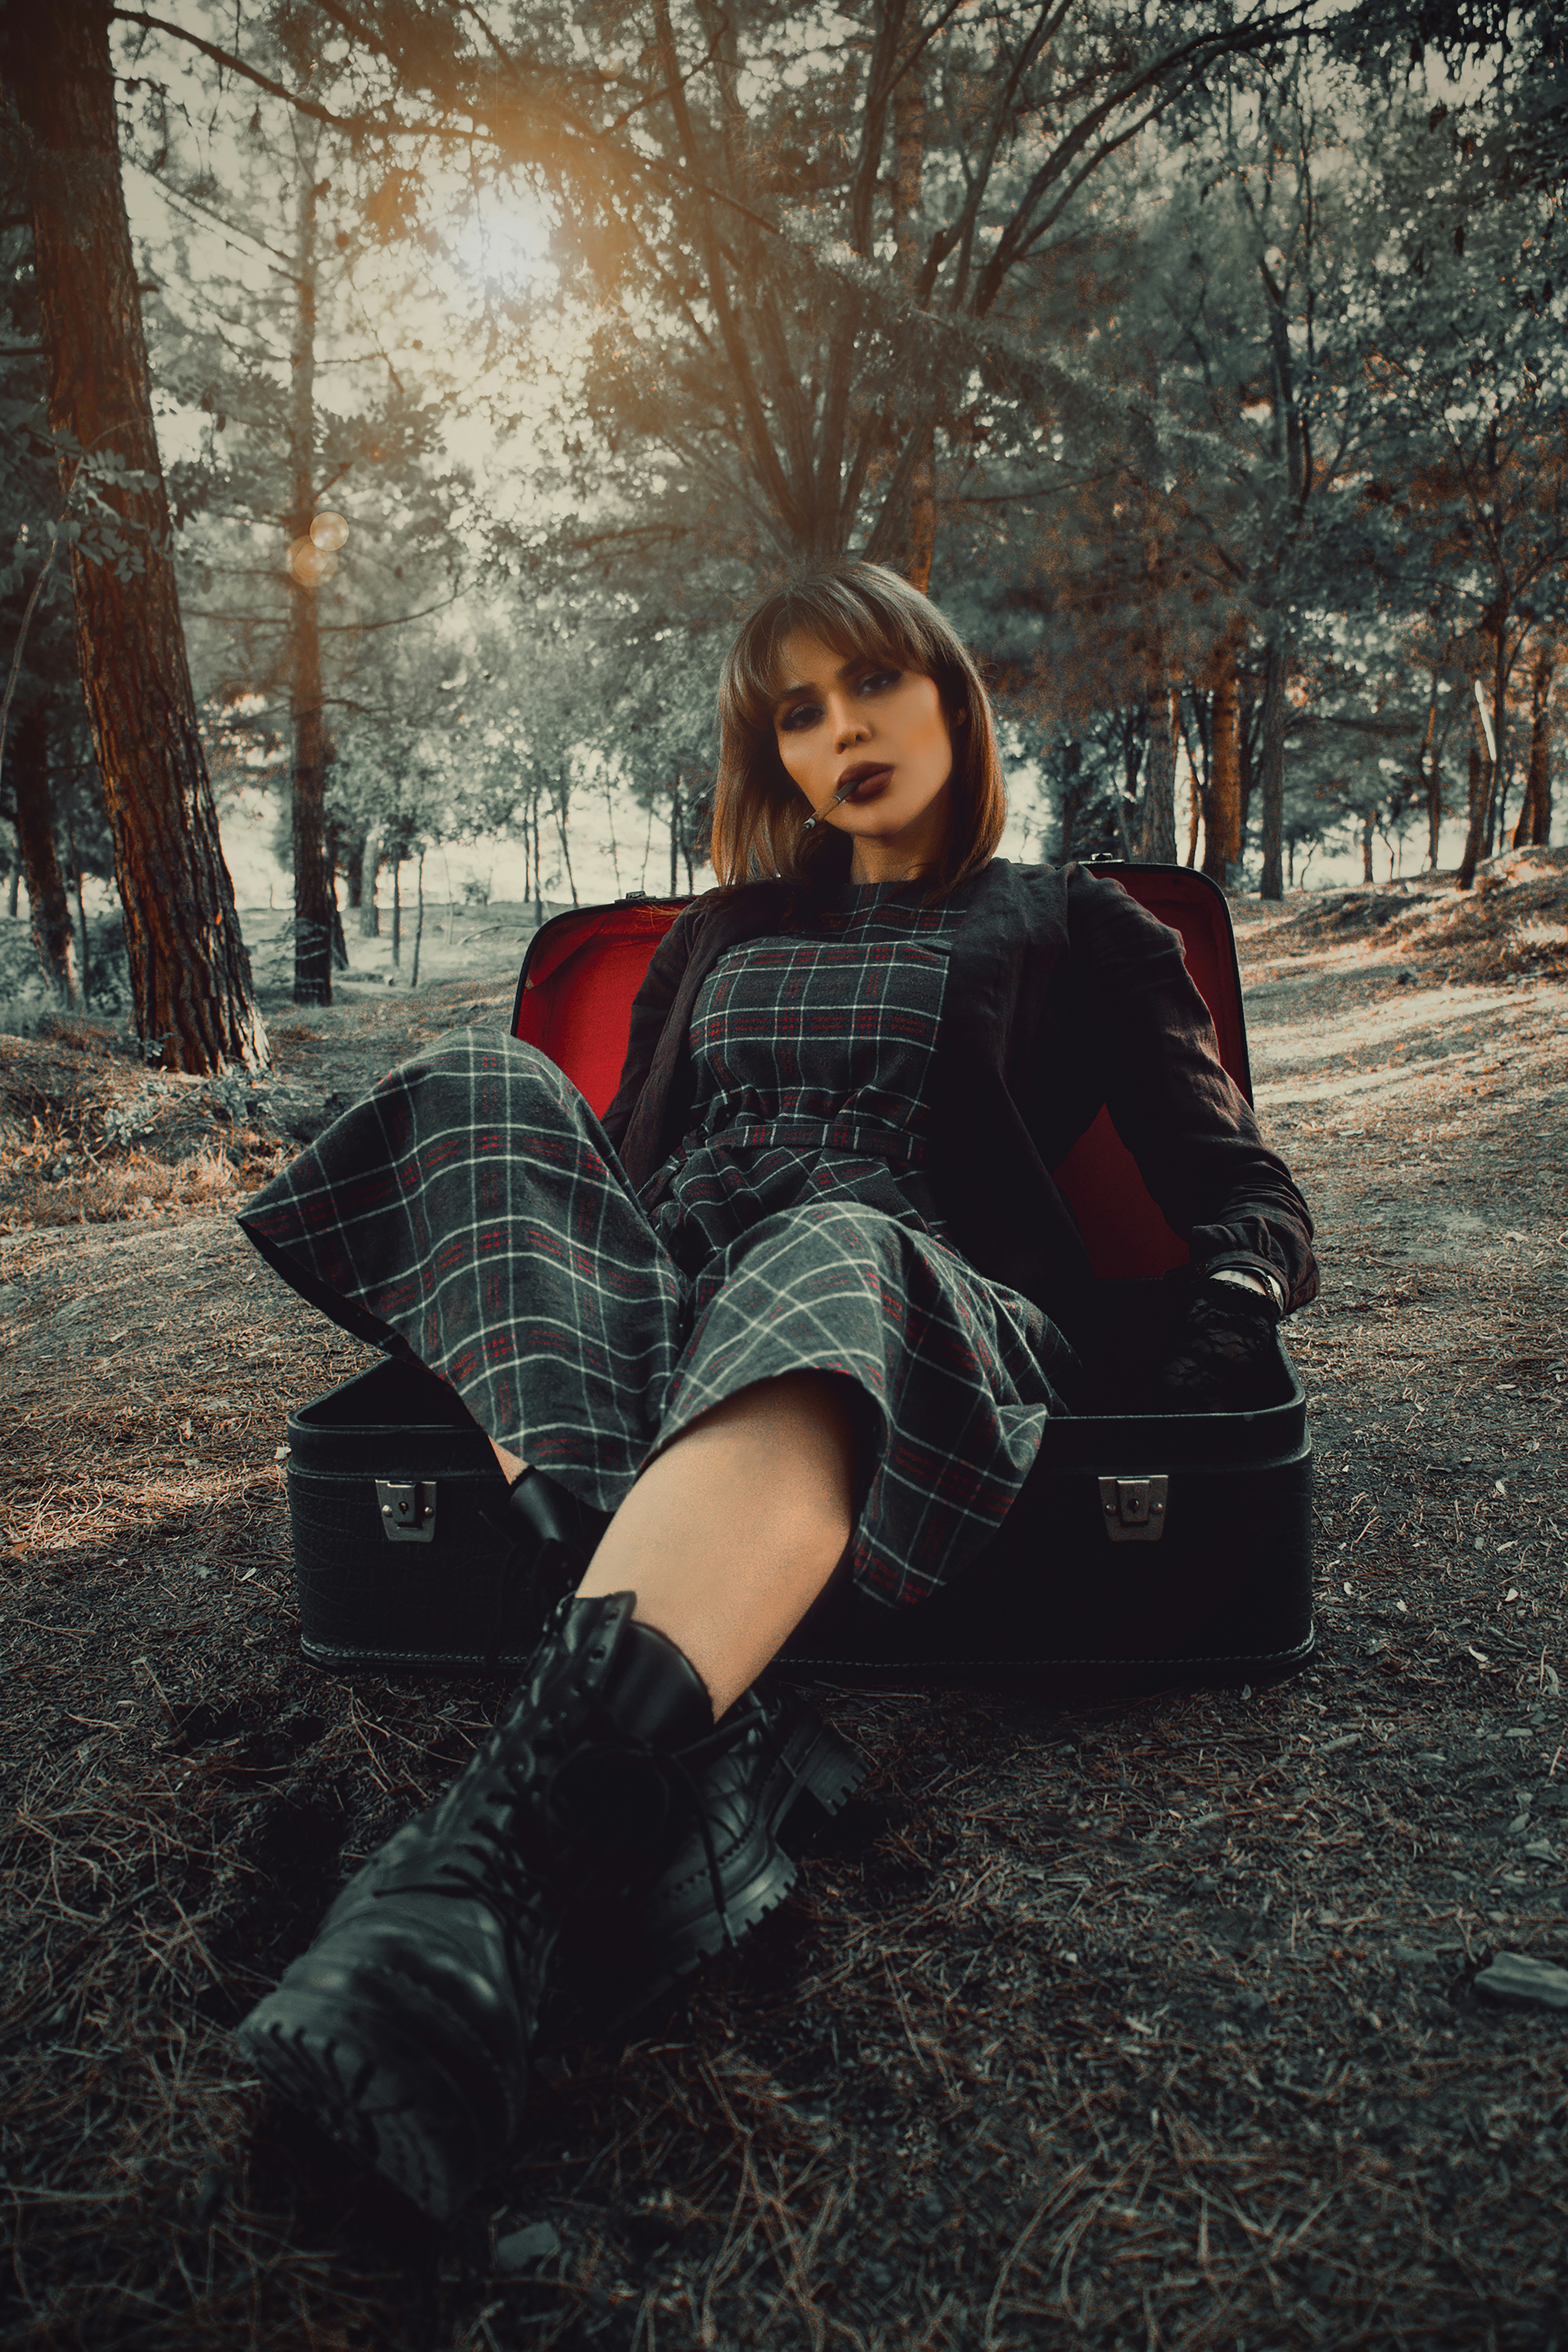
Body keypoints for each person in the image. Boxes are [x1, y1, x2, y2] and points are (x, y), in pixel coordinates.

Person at [234, 561, 1316, 2222]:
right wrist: (536, 1247)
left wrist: (1228, 1308)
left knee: (820, 1245)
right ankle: (708, 1745)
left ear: (949, 693)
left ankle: (476, 1869)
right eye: (793, 713)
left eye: (869, 682)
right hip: (678, 1304)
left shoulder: (1069, 921)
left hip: (910, 1302)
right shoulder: (716, 932)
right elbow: (616, 1164)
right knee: (476, 1086)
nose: (837, 731)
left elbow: (1241, 1194)